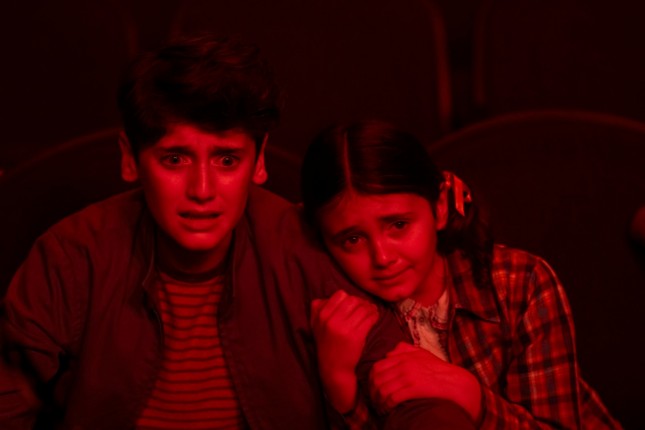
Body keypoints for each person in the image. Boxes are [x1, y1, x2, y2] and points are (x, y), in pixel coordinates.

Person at [0, 36, 464, 429]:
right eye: (174, 159)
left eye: (226, 160)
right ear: (129, 158)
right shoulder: (73, 254)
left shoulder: (300, 244)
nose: (202, 190)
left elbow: (413, 393)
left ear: (259, 161)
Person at [301, 120, 622, 429]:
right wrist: (339, 384)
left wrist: (471, 397)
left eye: (398, 225)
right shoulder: (345, 319)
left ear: (439, 207)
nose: (382, 257)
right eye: (353, 240)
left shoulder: (520, 284)